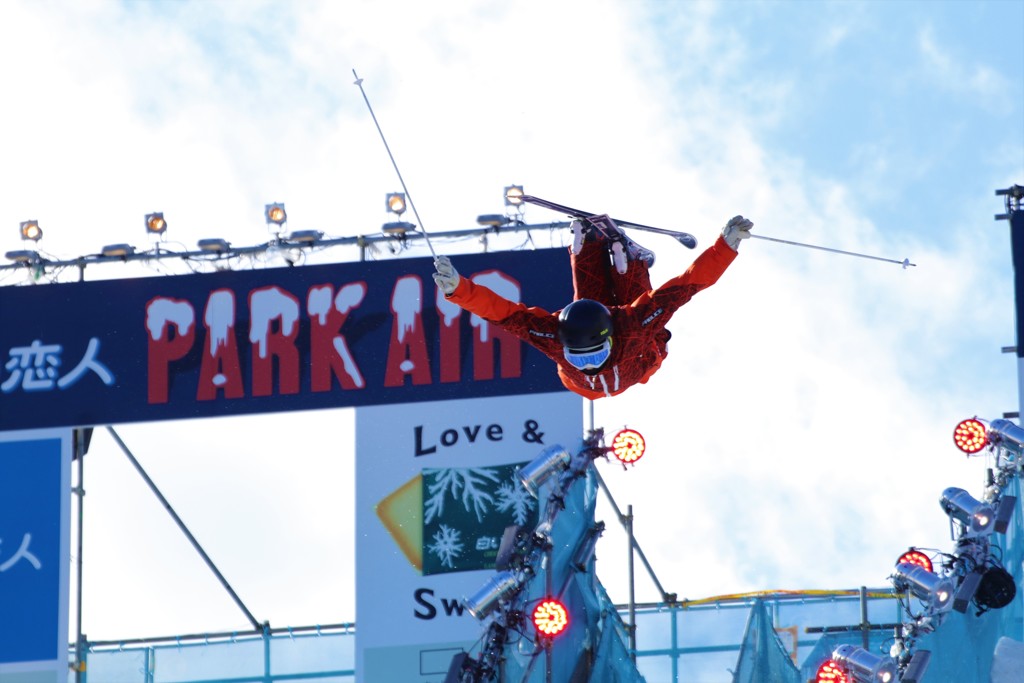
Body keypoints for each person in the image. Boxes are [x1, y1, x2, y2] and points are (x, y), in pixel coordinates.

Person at [432, 215, 752, 399]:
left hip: (581, 384)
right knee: (643, 309)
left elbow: (501, 313)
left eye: (588, 356)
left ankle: (587, 250)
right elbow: (687, 285)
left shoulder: (553, 338)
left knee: (588, 299)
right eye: (590, 356)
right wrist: (725, 248)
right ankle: (629, 263)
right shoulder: (632, 327)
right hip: (638, 362)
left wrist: (459, 290)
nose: (589, 365)